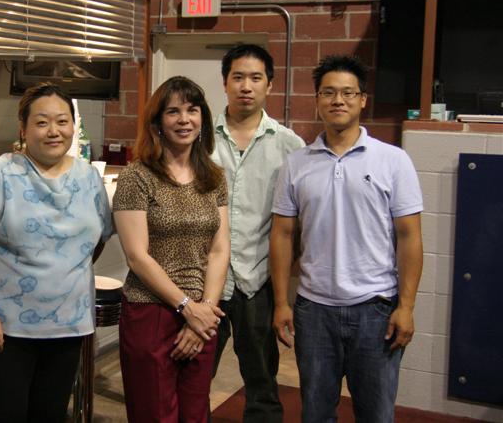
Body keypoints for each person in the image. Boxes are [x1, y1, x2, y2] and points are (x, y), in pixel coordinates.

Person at [270, 55, 424, 422]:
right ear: (317, 99)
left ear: (362, 99)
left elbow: (410, 237)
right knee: (316, 413)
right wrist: (281, 302)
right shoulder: (296, 164)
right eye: (328, 93)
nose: (338, 100)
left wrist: (406, 306)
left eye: (348, 93)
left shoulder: (393, 160)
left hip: (376, 309)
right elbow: (282, 234)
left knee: (376, 414)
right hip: (314, 310)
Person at [0, 82, 112, 423]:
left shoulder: (88, 177)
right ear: (23, 128)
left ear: (73, 126)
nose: (53, 131)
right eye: (42, 122)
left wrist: (64, 274)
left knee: (51, 415)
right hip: (7, 328)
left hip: (69, 327)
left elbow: (97, 239)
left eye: (62, 121)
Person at [114, 76, 230, 423]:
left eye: (192, 110)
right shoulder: (136, 177)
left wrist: (204, 312)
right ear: (157, 122)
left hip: (203, 315)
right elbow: (137, 256)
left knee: (194, 414)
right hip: (151, 311)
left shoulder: (214, 177)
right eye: (173, 111)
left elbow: (220, 249)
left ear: (202, 118)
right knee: (155, 414)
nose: (184, 119)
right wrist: (185, 307)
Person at [210, 44, 304, 423]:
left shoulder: (290, 145)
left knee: (262, 384)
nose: (246, 86)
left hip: (258, 281)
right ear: (225, 83)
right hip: (206, 281)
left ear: (270, 85)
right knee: (193, 381)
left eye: (255, 78)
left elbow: (299, 223)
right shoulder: (200, 138)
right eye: (237, 77)